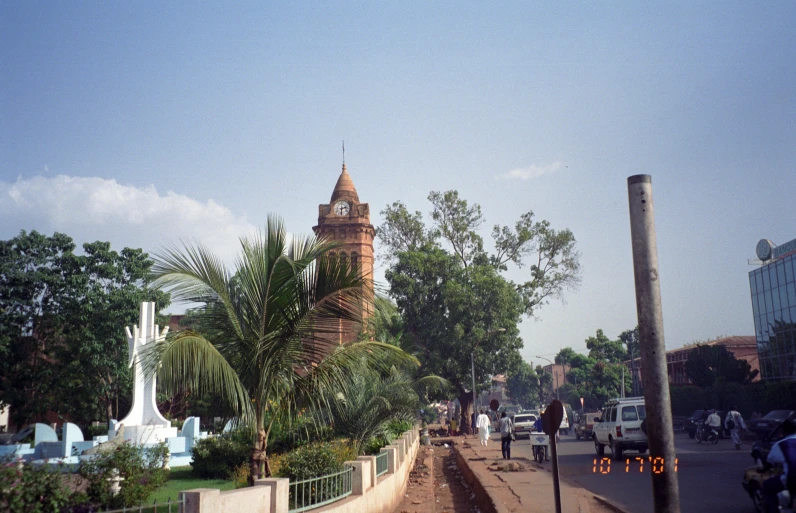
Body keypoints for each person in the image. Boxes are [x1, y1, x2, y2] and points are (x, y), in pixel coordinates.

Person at [762, 419, 796, 513]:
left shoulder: (781, 444)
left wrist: (762, 470)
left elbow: (769, 463)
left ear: (783, 430)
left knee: (767, 485)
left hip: (792, 478)